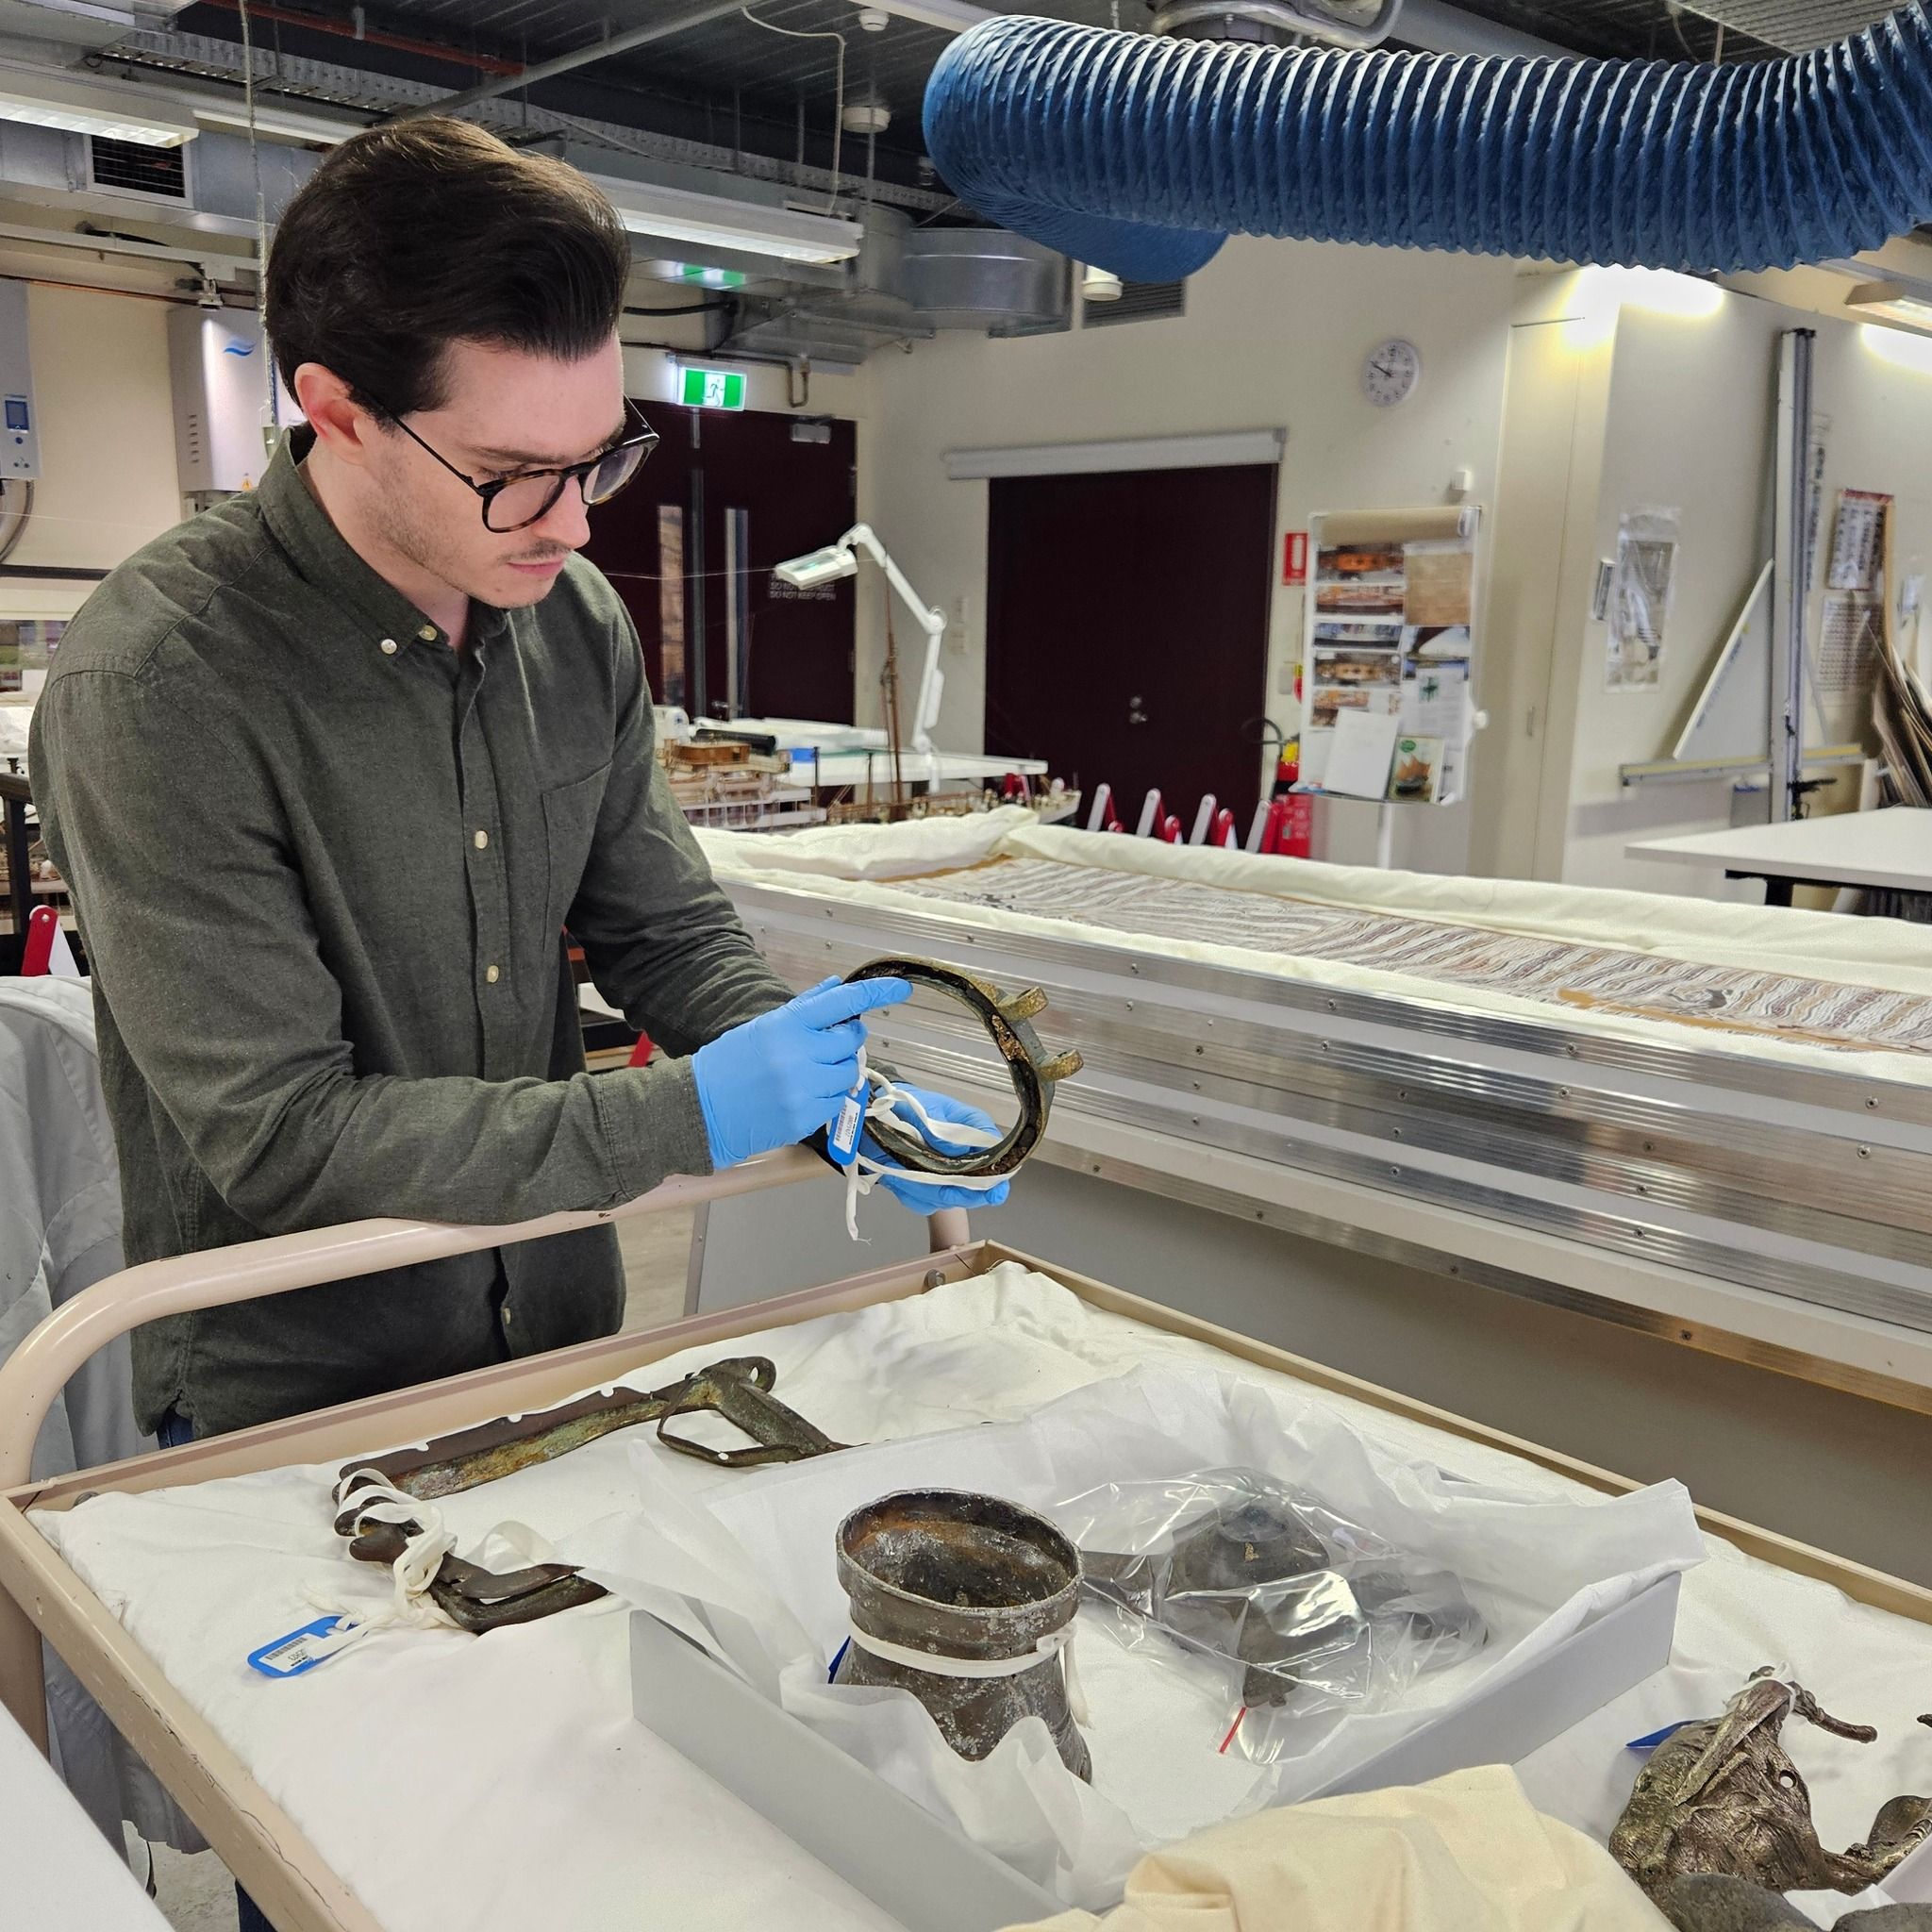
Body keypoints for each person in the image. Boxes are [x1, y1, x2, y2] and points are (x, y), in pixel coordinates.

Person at [31, 116, 1005, 1453]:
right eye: (508, 476)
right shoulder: (161, 688)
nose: (573, 520)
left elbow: (659, 925)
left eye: (599, 454)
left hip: (558, 1324)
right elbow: (283, 1135)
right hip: (306, 1391)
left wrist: (811, 1067)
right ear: (337, 413)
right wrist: (690, 1112)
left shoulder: (572, 617)